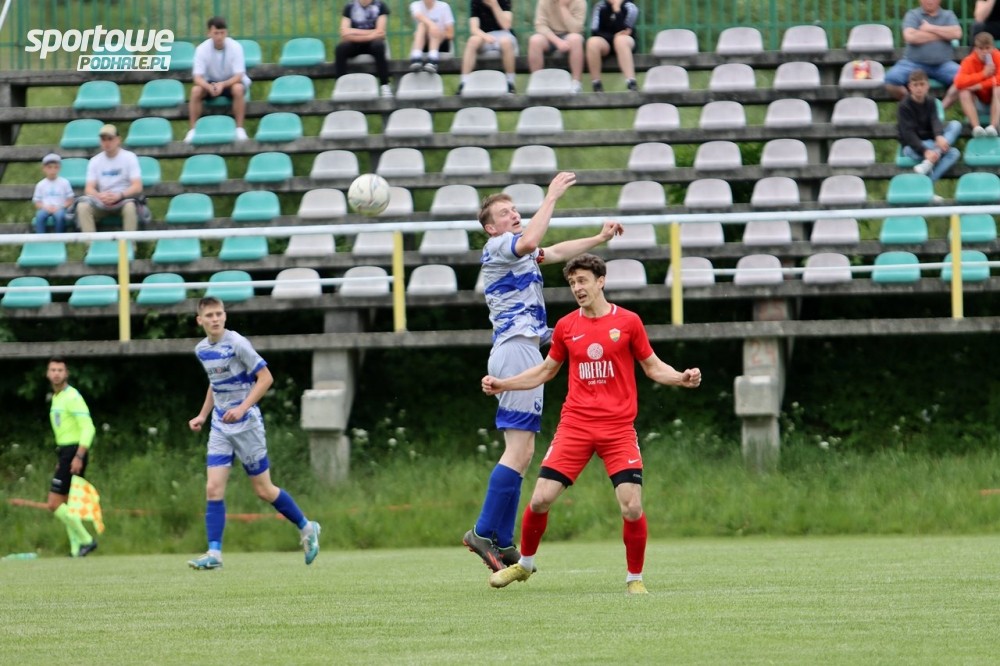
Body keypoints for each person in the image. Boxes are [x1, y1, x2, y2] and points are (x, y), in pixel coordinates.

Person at [482, 254, 702, 594]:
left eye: (582, 280)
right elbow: (545, 371)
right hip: (576, 426)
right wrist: (503, 383)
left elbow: (653, 366)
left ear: (601, 281)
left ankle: (634, 579)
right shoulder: (567, 326)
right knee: (539, 500)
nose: (577, 288)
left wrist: (681, 377)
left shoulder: (628, 322)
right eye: (572, 283)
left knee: (632, 506)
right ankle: (524, 565)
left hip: (618, 429)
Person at [463, 172, 624, 573]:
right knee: (518, 452)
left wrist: (598, 239)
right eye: (505, 213)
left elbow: (553, 251)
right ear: (490, 228)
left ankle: (502, 540)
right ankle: (482, 532)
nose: (514, 215)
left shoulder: (518, 252)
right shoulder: (499, 246)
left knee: (524, 452)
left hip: (522, 349)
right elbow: (532, 240)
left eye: (515, 209)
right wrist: (551, 197)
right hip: (516, 350)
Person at [187, 297, 320, 570]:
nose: (215, 318)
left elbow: (266, 378)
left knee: (263, 490)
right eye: (209, 315)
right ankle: (214, 554)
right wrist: (202, 415)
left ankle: (307, 527)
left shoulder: (237, 343)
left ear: (225, 316)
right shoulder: (201, 349)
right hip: (221, 426)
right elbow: (215, 383)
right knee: (213, 488)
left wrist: (242, 408)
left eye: (219, 313)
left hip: (247, 425)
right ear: (200, 320)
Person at [44, 357, 99, 557]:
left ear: (66, 373)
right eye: (53, 370)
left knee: (54, 503)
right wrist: (63, 457)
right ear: (48, 374)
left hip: (74, 452)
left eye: (60, 370)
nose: (56, 373)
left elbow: (88, 428)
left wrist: (78, 456)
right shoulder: (57, 397)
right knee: (67, 503)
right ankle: (76, 550)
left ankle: (87, 540)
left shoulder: (73, 397)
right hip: (65, 452)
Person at [185, 16, 250, 143]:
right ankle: (193, 130)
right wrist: (209, 87)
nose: (219, 37)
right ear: (209, 33)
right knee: (195, 91)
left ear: (226, 33)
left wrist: (223, 85)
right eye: (216, 33)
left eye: (222, 33)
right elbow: (197, 78)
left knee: (238, 88)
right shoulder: (201, 49)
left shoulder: (236, 47)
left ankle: (239, 129)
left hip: (230, 82)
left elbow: (239, 75)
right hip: (210, 83)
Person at [884, 0, 961, 108]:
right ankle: (916, 107)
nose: (929, 1)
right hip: (913, 63)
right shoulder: (913, 15)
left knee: (966, 79)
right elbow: (911, 37)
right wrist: (943, 34)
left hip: (943, 64)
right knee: (890, 80)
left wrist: (930, 28)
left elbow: (957, 33)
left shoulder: (948, 15)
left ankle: (939, 111)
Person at [75, 124, 143, 234]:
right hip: (102, 201)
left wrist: (119, 195)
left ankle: (129, 244)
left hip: (123, 200)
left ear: (118, 140)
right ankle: (91, 244)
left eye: (110, 139)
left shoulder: (129, 157)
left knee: (130, 207)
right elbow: (89, 188)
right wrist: (99, 196)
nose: (107, 143)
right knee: (82, 207)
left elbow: (137, 186)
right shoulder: (95, 161)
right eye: (103, 139)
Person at [898, 69, 962, 183]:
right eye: (915, 85)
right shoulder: (904, 106)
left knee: (956, 127)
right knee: (951, 152)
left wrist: (939, 136)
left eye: (922, 84)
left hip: (932, 143)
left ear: (927, 86)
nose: (919, 88)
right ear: (910, 87)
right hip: (913, 147)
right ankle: (932, 164)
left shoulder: (931, 101)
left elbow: (935, 120)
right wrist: (925, 151)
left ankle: (928, 174)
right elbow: (908, 134)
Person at [456, 0, 518, 95]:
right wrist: (485, 36)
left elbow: (506, 25)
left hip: (504, 34)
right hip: (484, 36)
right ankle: (464, 83)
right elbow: (474, 29)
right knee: (472, 41)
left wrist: (494, 5)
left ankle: (510, 83)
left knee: (506, 42)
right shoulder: (475, 2)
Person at [527, 0, 588, 94]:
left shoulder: (579, 2)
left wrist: (563, 7)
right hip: (550, 35)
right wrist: (557, 41)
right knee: (535, 40)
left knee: (576, 39)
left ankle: (576, 83)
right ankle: (537, 81)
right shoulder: (544, 1)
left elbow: (576, 29)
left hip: (570, 35)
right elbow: (540, 25)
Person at [335, 0, 393, 98]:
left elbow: (380, 33)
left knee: (379, 46)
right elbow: (344, 34)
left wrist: (352, 31)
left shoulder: (380, 6)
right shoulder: (349, 6)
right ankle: (340, 84)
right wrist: (371, 34)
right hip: (355, 43)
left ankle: (384, 85)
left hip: (372, 44)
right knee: (340, 49)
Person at [955, 31, 1000, 136]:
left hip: (997, 100)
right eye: (981, 48)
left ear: (993, 48)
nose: (984, 52)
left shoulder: (997, 56)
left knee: (998, 88)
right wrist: (983, 74)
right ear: (975, 49)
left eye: (987, 48)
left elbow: (998, 79)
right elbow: (958, 82)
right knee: (963, 92)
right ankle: (976, 128)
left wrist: (980, 85)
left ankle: (993, 127)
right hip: (979, 102)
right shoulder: (969, 60)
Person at [408, 0, 455, 74]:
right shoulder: (415, 5)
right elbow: (418, 15)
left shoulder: (444, 6)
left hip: (441, 45)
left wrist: (436, 31)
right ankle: (417, 59)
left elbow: (450, 34)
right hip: (423, 46)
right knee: (422, 25)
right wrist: (431, 25)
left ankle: (433, 59)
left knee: (433, 30)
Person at [32, 153, 74, 234]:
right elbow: (37, 202)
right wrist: (45, 207)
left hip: (60, 207)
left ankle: (59, 237)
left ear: (59, 168)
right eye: (49, 167)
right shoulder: (40, 184)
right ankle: (40, 238)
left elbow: (70, 199)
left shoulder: (64, 182)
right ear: (44, 168)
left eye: (55, 167)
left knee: (60, 216)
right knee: (40, 216)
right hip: (45, 208)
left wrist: (61, 206)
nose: (52, 170)